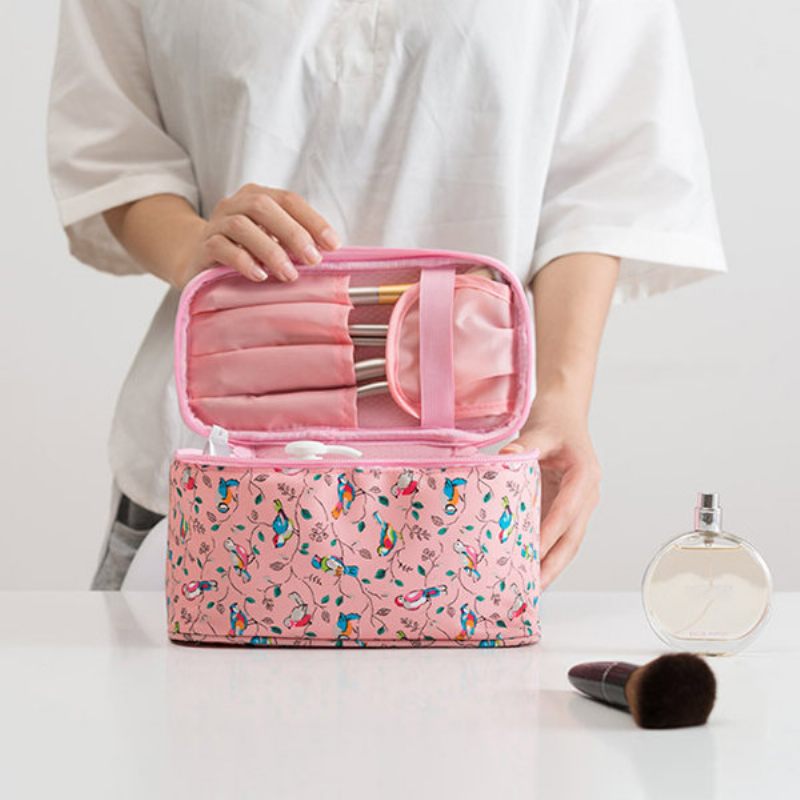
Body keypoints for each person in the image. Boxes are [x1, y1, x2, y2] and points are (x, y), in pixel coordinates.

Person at [47, 0, 726, 591]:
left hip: (459, 504)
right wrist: (195, 247)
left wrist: (561, 400)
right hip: (211, 476)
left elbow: (603, 183)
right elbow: (116, 151)